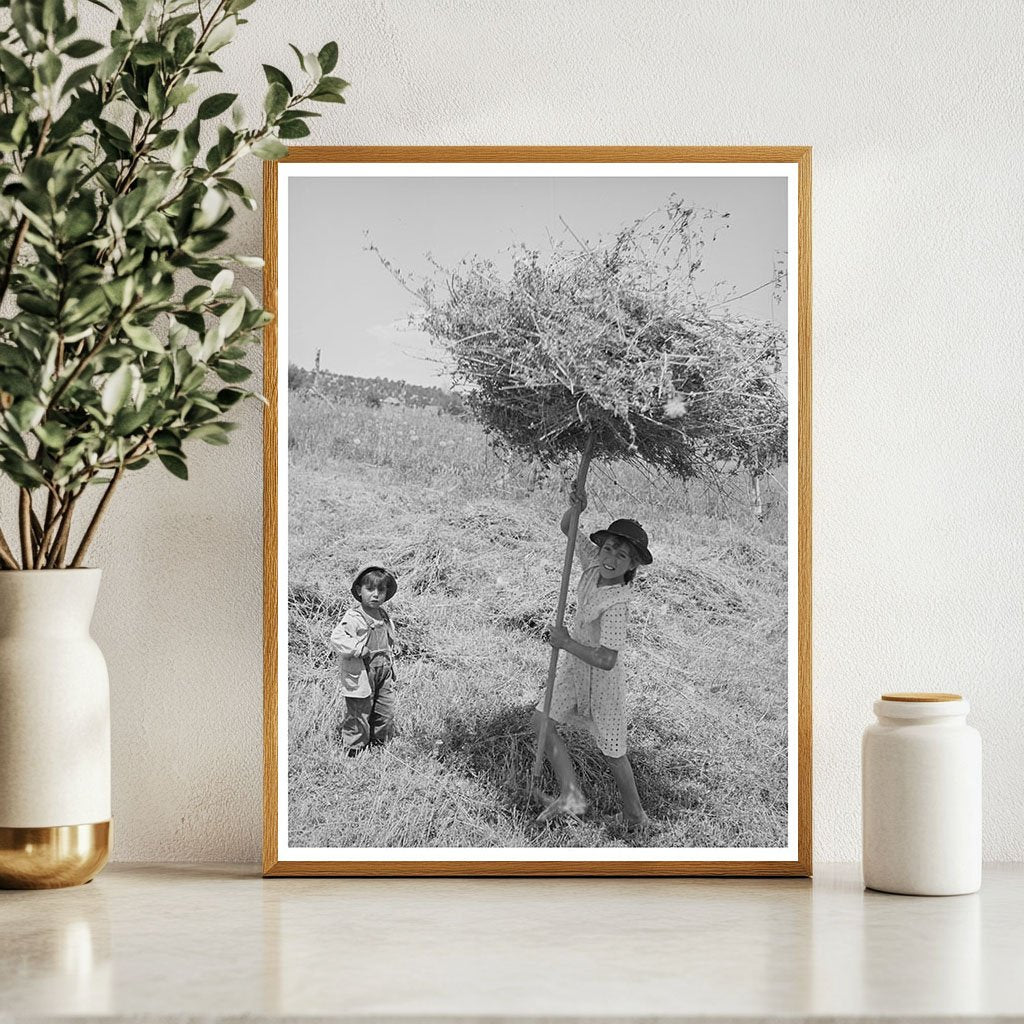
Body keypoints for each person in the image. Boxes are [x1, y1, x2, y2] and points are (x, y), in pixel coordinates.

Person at [531, 486, 653, 829]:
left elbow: (607, 660)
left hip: (603, 682)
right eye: (609, 548)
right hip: (574, 670)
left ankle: (635, 816)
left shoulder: (617, 604)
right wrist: (576, 508)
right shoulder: (591, 566)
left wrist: (566, 642)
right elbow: (568, 529)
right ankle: (571, 795)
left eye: (622, 556)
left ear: (632, 566)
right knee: (541, 722)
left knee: (612, 751)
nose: (611, 558)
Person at [330, 566, 399, 756]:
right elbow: (337, 638)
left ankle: (378, 744)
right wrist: (358, 648)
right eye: (370, 589)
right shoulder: (354, 617)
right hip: (361, 672)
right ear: (360, 590)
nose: (376, 595)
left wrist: (393, 647)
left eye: (381, 590)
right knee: (359, 711)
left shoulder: (383, 615)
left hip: (383, 671)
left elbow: (388, 635)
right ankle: (355, 749)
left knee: (384, 710)